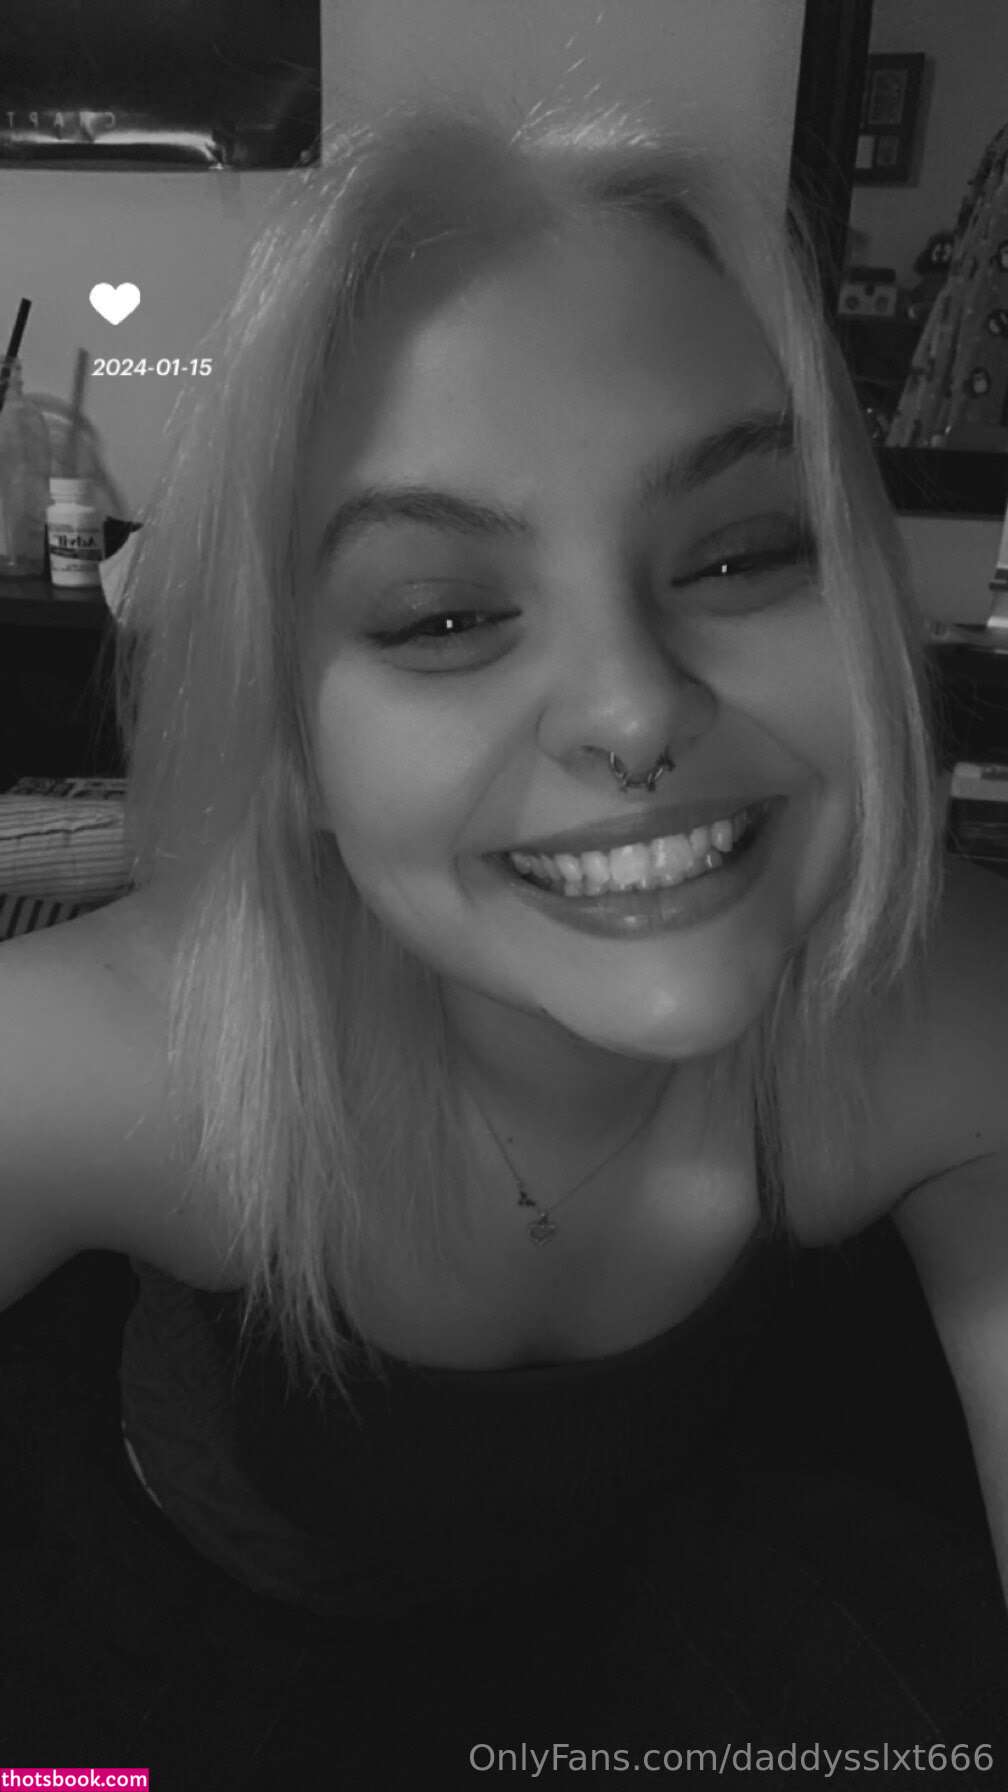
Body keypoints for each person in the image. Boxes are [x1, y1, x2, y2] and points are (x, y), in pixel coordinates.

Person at [1, 97, 1008, 1788]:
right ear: (289, 748)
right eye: (445, 614)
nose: (632, 711)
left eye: (743, 551)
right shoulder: (117, 1056)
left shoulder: (939, 1012)